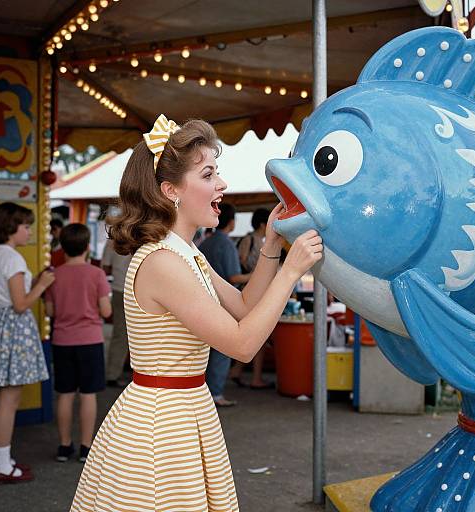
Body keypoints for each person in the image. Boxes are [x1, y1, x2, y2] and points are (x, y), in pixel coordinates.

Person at [70, 115, 322, 512]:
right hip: (162, 422)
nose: (221, 184)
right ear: (170, 190)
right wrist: (291, 272)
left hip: (183, 409)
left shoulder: (185, 253)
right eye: (208, 174)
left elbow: (243, 306)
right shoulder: (163, 262)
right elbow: (242, 344)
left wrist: (272, 243)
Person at [0, 202, 55, 484]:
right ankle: (2, 463)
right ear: (11, 227)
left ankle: (1, 459)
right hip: (12, 330)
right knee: (9, 398)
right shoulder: (13, 259)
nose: (29, 231)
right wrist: (42, 286)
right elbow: (20, 304)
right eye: (26, 226)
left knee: (2, 398)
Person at [45, 223, 112, 463]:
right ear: (87, 247)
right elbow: (106, 312)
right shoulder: (96, 274)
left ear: (62, 248)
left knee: (64, 394)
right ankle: (86, 447)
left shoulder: (55, 275)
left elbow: (50, 310)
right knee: (87, 394)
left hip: (62, 340)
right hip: (90, 340)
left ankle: (64, 446)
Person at [199, 203, 249, 407]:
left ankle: (207, 392)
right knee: (221, 352)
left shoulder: (203, 243)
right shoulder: (226, 244)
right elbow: (234, 276)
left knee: (204, 350)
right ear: (232, 221)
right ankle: (216, 393)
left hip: (203, 300)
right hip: (223, 303)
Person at [231, 208, 275, 389]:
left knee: (257, 336)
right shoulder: (250, 240)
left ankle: (237, 372)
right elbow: (241, 261)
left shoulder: (261, 241)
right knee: (258, 336)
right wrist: (258, 275)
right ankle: (254, 377)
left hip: (255, 289)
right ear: (264, 224)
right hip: (248, 291)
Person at [101, 239, 131, 387]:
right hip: (142, 288)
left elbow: (105, 267)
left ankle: (113, 372)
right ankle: (122, 370)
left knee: (120, 334)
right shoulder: (146, 234)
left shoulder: (113, 240)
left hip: (119, 289)